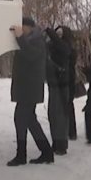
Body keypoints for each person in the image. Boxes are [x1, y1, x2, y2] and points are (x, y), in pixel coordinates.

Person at [8, 17, 54, 166]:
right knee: (30, 121)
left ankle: (22, 155)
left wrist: (20, 38)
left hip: (30, 90)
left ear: (28, 27)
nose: (21, 29)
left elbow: (30, 55)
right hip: (26, 89)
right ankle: (46, 152)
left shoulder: (37, 41)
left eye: (22, 27)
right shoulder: (29, 41)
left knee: (21, 120)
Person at [45, 26, 71, 155]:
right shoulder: (52, 45)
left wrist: (49, 31)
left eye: (60, 33)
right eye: (57, 33)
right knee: (53, 115)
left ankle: (61, 145)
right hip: (53, 84)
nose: (58, 35)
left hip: (62, 85)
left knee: (60, 116)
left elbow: (62, 47)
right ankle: (55, 142)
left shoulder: (65, 47)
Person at [59, 26, 80, 141]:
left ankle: (71, 131)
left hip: (68, 80)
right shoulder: (68, 47)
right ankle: (68, 130)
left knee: (68, 105)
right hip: (65, 79)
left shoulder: (69, 49)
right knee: (65, 106)